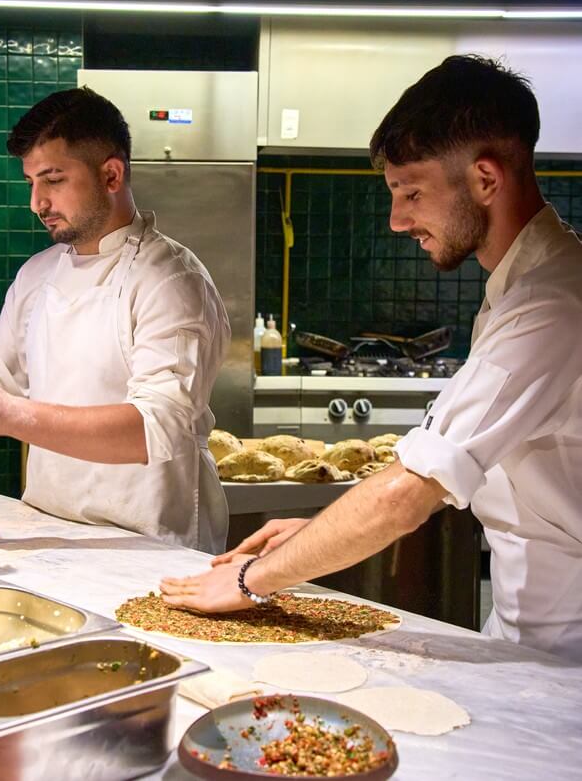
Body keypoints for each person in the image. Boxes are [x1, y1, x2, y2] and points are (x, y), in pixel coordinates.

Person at [160, 55, 582, 662]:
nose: (396, 220)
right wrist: (311, 536)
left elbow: (408, 492)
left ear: (486, 179)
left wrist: (253, 579)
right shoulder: (521, 285)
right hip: (528, 635)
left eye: (411, 192)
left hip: (564, 657)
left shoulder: (552, 305)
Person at [0, 86, 231, 553]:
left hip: (152, 545)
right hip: (50, 529)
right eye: (31, 182)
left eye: (53, 180)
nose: (37, 202)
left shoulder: (171, 280)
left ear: (111, 174)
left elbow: (159, 427)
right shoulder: (39, 273)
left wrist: (9, 415)